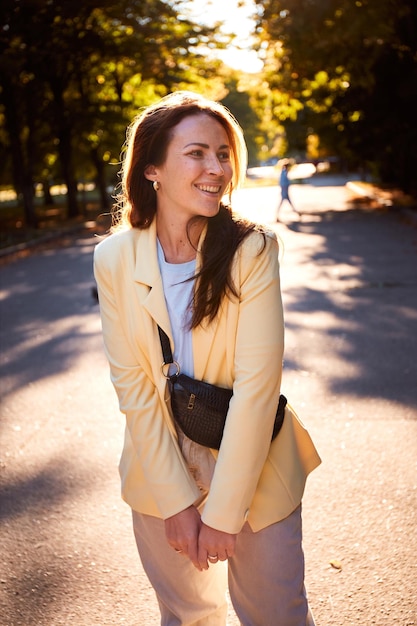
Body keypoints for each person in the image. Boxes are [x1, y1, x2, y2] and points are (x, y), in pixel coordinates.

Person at [93, 91, 321, 626]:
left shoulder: (252, 249)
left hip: (253, 458)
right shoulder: (113, 257)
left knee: (276, 615)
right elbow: (135, 391)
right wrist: (176, 503)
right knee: (188, 616)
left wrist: (223, 512)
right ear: (152, 167)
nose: (216, 168)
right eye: (197, 153)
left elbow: (258, 388)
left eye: (223, 153)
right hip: (159, 466)